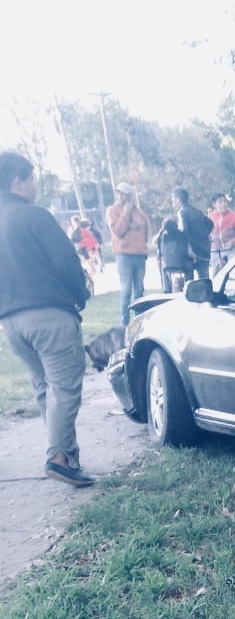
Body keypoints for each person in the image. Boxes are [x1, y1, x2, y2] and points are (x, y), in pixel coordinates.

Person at [0, 151, 94, 487]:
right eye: (32, 179)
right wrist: (80, 295)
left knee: (44, 387)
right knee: (65, 389)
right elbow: (66, 262)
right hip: (49, 315)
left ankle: (67, 457)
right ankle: (59, 457)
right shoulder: (34, 216)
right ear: (17, 181)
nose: (35, 186)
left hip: (12, 322)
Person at [106, 182, 150, 326]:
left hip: (139, 254)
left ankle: (138, 321)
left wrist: (142, 248)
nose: (120, 195)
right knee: (126, 289)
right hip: (124, 255)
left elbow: (145, 233)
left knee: (139, 289)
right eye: (118, 192)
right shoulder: (112, 211)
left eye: (123, 193)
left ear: (129, 195)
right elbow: (118, 231)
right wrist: (125, 212)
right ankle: (125, 322)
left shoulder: (140, 213)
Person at [172, 187, 213, 280]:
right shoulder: (197, 211)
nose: (172, 202)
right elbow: (210, 223)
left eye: (173, 199)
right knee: (204, 281)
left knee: (189, 282)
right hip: (204, 250)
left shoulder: (181, 212)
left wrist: (189, 248)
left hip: (191, 252)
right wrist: (205, 235)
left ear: (178, 199)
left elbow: (184, 232)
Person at [208, 192, 235, 273]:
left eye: (225, 201)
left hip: (232, 249)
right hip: (216, 251)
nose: (223, 204)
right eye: (220, 202)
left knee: (234, 272)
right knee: (217, 274)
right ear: (214, 205)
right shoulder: (210, 217)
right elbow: (207, 234)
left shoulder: (234, 216)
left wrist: (232, 241)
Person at [155, 217, 191, 293]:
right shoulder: (182, 235)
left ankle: (166, 289)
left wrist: (160, 231)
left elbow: (155, 243)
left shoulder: (162, 236)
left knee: (162, 265)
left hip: (166, 265)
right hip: (181, 264)